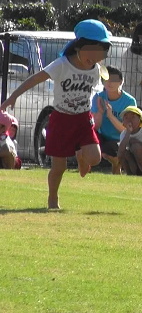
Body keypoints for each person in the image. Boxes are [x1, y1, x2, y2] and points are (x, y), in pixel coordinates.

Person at [0, 19, 111, 209]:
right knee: (59, 167)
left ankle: (81, 156)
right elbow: (35, 78)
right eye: (91, 50)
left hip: (83, 119)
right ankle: (53, 197)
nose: (94, 58)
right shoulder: (62, 64)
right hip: (61, 119)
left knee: (95, 158)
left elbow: (95, 91)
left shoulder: (95, 70)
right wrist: (13, 96)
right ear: (79, 46)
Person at [91, 65, 137, 174]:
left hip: (121, 139)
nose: (109, 83)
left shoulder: (129, 101)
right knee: (88, 142)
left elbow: (126, 130)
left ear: (121, 82)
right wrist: (101, 113)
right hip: (103, 136)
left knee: (113, 148)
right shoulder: (98, 97)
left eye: (114, 80)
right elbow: (95, 127)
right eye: (106, 79)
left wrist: (110, 115)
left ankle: (117, 163)